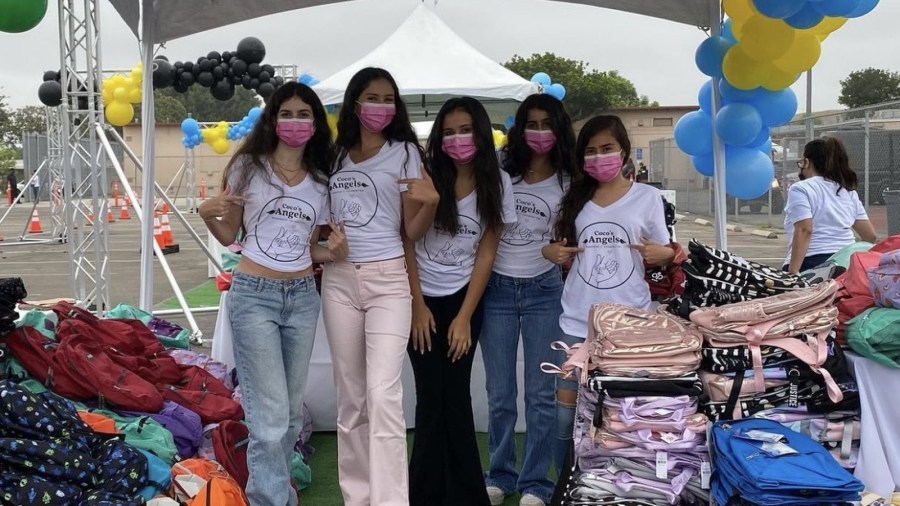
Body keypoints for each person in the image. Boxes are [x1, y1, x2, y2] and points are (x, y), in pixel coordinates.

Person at [198, 81, 347, 506]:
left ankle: (279, 493)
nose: (296, 123)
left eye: (305, 115)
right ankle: (269, 499)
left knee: (285, 415)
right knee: (267, 418)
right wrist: (208, 216)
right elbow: (232, 235)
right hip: (254, 295)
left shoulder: (322, 180)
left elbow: (312, 247)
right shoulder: (249, 167)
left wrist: (334, 253)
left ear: (317, 123)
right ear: (272, 119)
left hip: (301, 295)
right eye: (287, 114)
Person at [323, 67, 438, 506]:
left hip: (389, 280)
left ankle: (391, 500)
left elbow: (413, 230)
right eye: (373, 98)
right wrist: (327, 246)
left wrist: (429, 203)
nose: (381, 107)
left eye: (389, 99)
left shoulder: (405, 152)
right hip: (338, 281)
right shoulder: (333, 157)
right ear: (355, 103)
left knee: (383, 392)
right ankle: (359, 497)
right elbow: (321, 225)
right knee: (350, 397)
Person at [541, 115, 675, 472]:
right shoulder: (573, 199)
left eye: (607, 149)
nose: (599, 158)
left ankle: (617, 484)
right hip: (575, 320)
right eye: (590, 151)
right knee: (565, 414)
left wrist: (667, 253)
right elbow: (554, 247)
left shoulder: (648, 197)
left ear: (625, 152)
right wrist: (550, 253)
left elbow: (664, 250)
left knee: (621, 413)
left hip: (629, 322)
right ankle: (564, 485)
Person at [405, 96, 516, 506]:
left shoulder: (497, 182)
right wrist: (417, 306)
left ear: (481, 133)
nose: (457, 139)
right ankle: (424, 494)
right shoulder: (425, 176)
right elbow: (408, 241)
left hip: (464, 304)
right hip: (420, 303)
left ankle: (467, 494)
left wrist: (465, 317)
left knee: (457, 397)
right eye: (448, 132)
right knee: (430, 397)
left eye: (465, 130)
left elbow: (487, 251)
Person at [479, 94, 577, 506]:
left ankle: (535, 481)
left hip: (544, 292)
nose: (539, 133)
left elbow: (577, 238)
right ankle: (500, 473)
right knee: (500, 393)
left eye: (547, 124)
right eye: (531, 124)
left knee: (541, 394)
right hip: (497, 289)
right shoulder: (502, 171)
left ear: (559, 130)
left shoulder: (571, 180)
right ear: (519, 129)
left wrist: (559, 252)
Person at [783, 137, 877, 273]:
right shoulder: (847, 191)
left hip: (812, 262)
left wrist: (792, 274)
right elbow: (870, 236)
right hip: (847, 264)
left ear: (807, 163)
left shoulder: (800, 189)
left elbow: (804, 230)